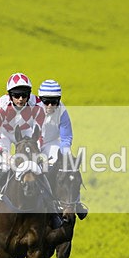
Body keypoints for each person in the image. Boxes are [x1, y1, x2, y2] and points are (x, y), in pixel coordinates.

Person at [0, 72, 63, 232]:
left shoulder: (37, 105)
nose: (21, 99)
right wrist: (6, 155)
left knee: (39, 170)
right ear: (10, 95)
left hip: (28, 136)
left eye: (24, 95)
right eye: (16, 95)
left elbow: (41, 131)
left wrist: (36, 154)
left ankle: (53, 210)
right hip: (5, 136)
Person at [37, 79, 88, 219]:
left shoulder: (62, 110)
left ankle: (76, 203)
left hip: (51, 143)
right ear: (40, 99)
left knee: (70, 167)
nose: (50, 105)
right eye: (46, 101)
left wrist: (66, 157)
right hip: (33, 144)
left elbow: (66, 137)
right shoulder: (31, 108)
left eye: (54, 102)